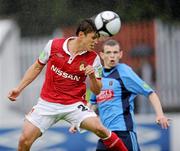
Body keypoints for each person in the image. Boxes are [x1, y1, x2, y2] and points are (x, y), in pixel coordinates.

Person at [7, 18, 127, 151]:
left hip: (74, 105)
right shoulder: (53, 45)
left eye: (97, 38)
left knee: (101, 129)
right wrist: (19, 88)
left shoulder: (94, 59)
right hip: (47, 104)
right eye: (93, 38)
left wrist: (92, 76)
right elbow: (36, 67)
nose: (96, 42)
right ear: (81, 35)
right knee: (24, 140)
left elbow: (97, 90)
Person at [89, 39, 170, 151]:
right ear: (102, 55)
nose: (112, 56)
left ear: (120, 54)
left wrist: (160, 115)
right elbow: (93, 103)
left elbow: (151, 93)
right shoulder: (98, 75)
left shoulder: (125, 72)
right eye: (108, 52)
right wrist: (80, 120)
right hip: (105, 134)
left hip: (124, 133)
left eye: (115, 52)